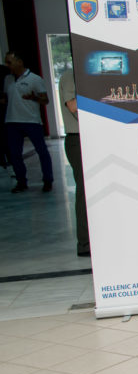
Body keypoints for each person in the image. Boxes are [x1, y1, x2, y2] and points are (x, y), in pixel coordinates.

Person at [3, 52, 53, 194]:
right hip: (12, 121)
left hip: (31, 121)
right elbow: (9, 99)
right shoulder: (8, 80)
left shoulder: (35, 79)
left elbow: (45, 100)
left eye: (9, 62)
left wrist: (34, 97)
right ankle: (21, 182)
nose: (7, 65)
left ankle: (48, 181)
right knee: (15, 154)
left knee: (41, 151)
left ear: (19, 62)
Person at [58, 68, 90, 255]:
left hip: (92, 137)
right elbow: (73, 106)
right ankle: (85, 243)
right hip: (78, 138)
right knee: (85, 190)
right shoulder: (71, 75)